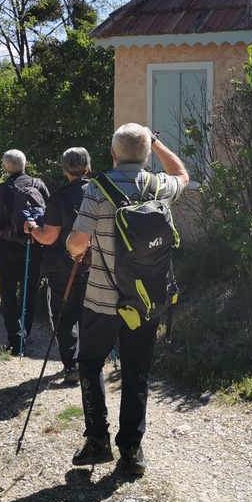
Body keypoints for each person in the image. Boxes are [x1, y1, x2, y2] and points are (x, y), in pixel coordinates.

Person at [66, 124, 188, 477]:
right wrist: (158, 142)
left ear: (113, 153)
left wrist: (78, 251)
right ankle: (132, 452)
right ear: (147, 153)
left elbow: (76, 242)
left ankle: (97, 442)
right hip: (147, 301)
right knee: (137, 372)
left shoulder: (96, 188)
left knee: (90, 363)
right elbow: (182, 173)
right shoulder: (160, 186)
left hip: (103, 301)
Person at [23, 147, 91, 384]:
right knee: (88, 314)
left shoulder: (60, 198)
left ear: (64, 170)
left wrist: (31, 227)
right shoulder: (100, 192)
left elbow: (49, 237)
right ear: (88, 168)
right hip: (95, 265)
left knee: (64, 317)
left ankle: (72, 366)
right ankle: (91, 364)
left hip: (64, 268)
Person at [0, 149, 50, 355]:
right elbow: (50, 214)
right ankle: (25, 333)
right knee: (29, 290)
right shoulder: (39, 185)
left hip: (9, 247)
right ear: (25, 164)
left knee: (8, 293)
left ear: (5, 167)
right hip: (35, 245)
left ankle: (16, 337)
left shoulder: (3, 189)